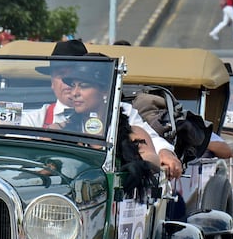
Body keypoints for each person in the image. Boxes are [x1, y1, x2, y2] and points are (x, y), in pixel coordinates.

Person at [23, 40, 184, 179]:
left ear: (104, 90)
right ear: (51, 81)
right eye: (62, 77)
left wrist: (161, 154)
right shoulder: (42, 120)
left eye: (83, 83)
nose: (73, 91)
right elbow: (31, 158)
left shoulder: (122, 112)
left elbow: (148, 141)